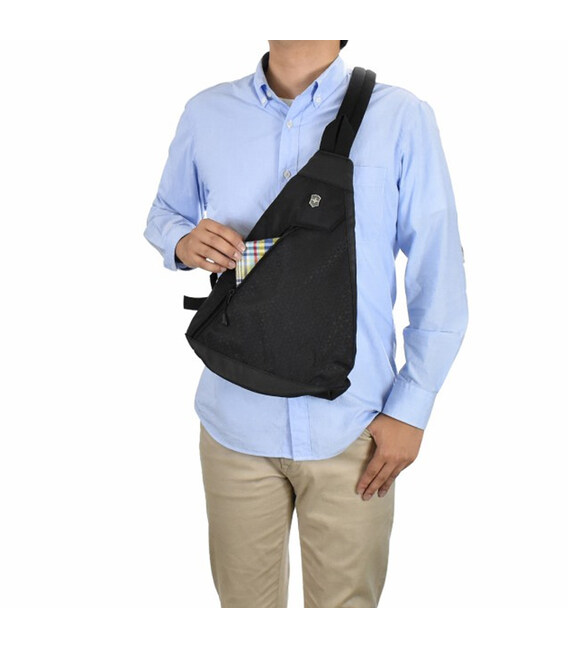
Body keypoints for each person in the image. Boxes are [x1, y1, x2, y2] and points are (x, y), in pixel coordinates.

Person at [143, 40, 468, 608]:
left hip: (356, 426)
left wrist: (411, 409)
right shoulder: (207, 112)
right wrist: (182, 240)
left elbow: (438, 268)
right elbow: (164, 213)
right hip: (234, 419)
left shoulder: (399, 116)